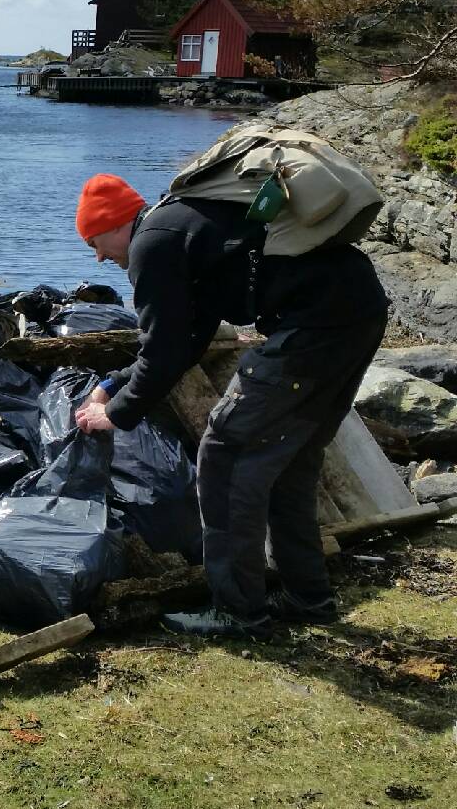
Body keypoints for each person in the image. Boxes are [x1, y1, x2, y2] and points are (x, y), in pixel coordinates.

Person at [71, 173, 388, 640]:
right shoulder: (182, 224)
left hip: (312, 326)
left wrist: (116, 413)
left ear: (116, 223)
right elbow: (187, 338)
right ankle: (308, 599)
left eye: (95, 242)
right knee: (291, 462)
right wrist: (113, 384)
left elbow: (163, 351)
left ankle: (239, 612)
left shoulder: (150, 245)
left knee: (225, 456)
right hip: (356, 311)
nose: (99, 257)